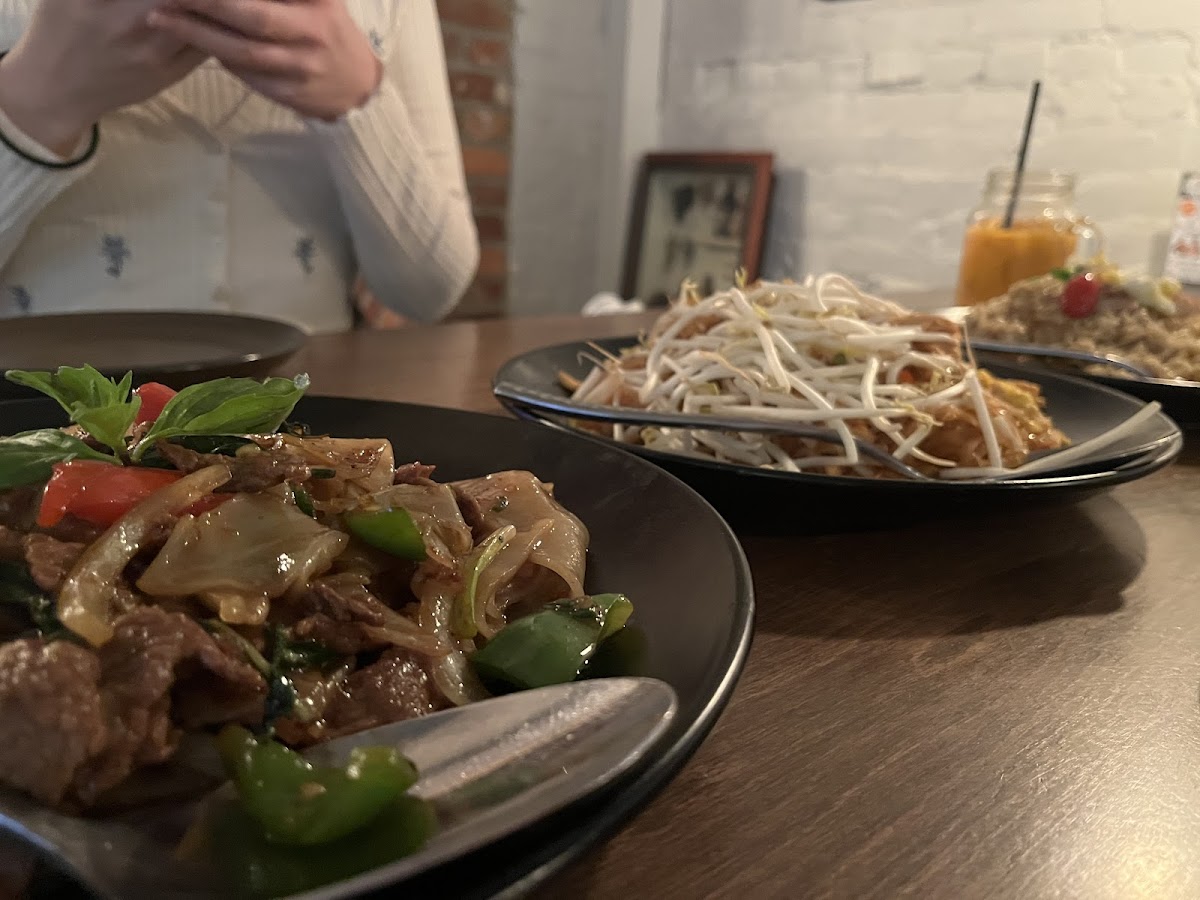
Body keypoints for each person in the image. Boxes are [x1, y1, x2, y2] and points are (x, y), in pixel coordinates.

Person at [0, 0, 480, 333]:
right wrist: (39, 101)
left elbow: (429, 292)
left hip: (309, 436)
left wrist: (359, 104)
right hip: (38, 439)